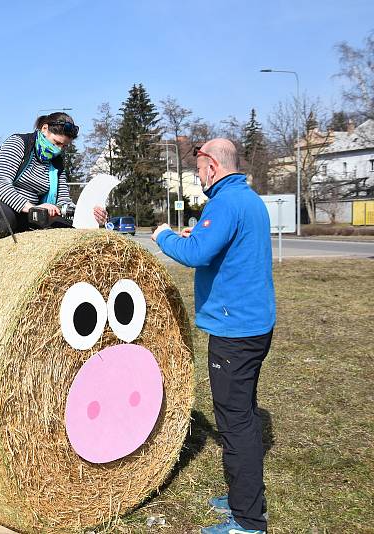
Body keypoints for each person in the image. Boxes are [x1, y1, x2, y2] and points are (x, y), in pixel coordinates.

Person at [151, 138, 275, 534]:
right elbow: (220, 245)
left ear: (211, 166)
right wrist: (198, 234)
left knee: (234, 423)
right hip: (256, 325)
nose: (198, 176)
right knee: (245, 413)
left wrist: (165, 236)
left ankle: (248, 521)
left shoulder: (223, 202)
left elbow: (195, 255)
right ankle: (243, 497)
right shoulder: (250, 200)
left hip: (234, 330)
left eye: (199, 168)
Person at [0, 113, 107, 246]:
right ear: (44, 129)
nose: (58, 150)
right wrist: (33, 209)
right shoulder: (18, 144)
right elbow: (1, 185)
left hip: (34, 215)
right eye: (56, 143)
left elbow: (63, 201)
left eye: (63, 146)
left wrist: (87, 213)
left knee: (66, 230)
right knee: (3, 221)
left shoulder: (56, 163)